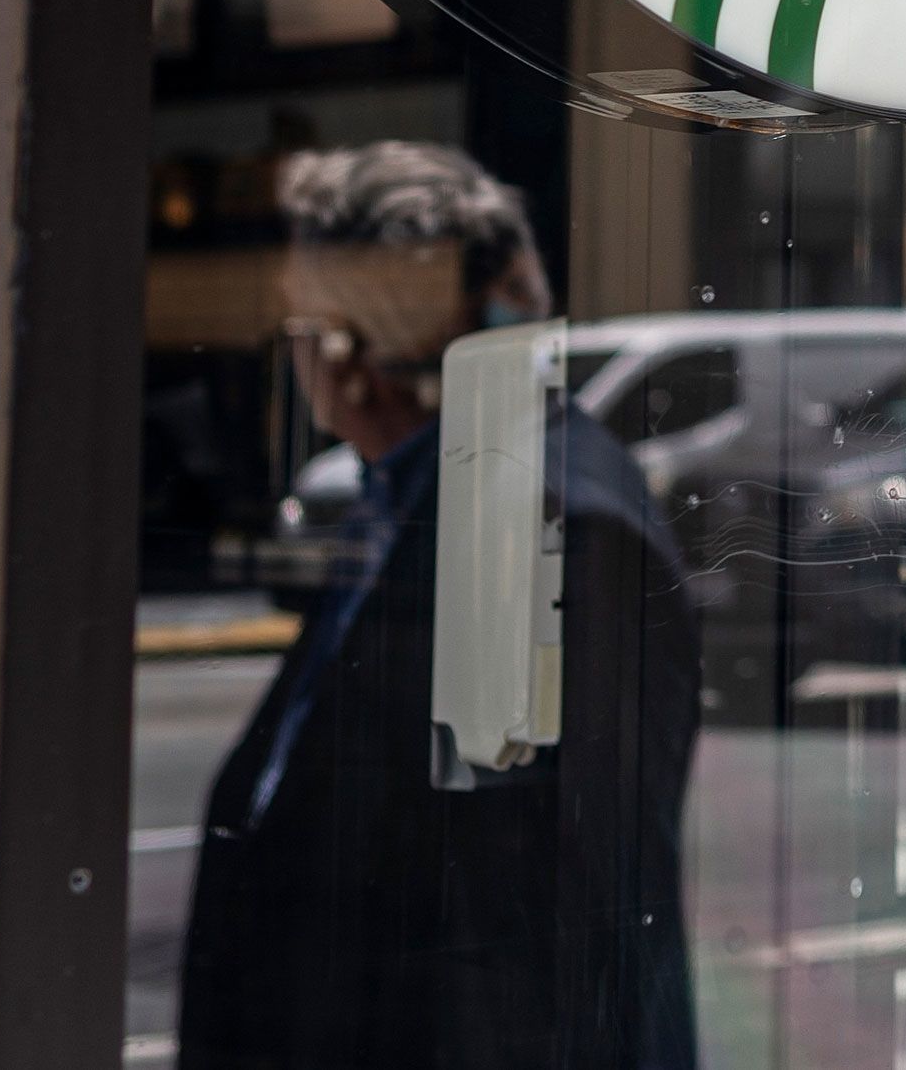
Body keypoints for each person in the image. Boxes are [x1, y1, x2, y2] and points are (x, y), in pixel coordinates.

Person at [178, 143, 699, 1070]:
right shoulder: (427, 493)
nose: (296, 352)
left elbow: (537, 931)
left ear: (352, 350)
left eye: (302, 322)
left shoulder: (547, 522)